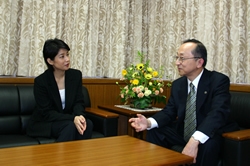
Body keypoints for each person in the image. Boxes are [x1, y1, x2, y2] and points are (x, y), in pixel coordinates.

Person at [129, 39, 239, 166]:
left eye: (182, 58)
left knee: (208, 144)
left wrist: (195, 140)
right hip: (184, 131)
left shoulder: (218, 81)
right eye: (177, 58)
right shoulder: (178, 84)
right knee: (155, 131)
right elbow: (169, 111)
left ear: (199, 62)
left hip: (211, 132)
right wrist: (148, 122)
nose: (177, 63)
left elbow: (217, 113)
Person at [27, 38, 93, 142]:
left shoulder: (75, 76)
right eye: (62, 56)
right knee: (70, 126)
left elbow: (78, 102)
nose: (67, 59)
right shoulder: (41, 81)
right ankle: (58, 158)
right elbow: (47, 113)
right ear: (50, 61)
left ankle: (79, 157)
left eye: (67, 54)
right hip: (46, 122)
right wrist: (72, 118)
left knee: (87, 124)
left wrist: (79, 117)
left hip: (67, 120)